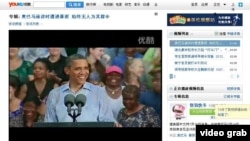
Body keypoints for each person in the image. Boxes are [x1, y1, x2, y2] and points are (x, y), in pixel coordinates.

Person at [44, 54, 114, 122]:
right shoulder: (55, 94)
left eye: (86, 68)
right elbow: (50, 122)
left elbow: (107, 121)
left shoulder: (99, 92)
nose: (83, 72)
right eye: (78, 69)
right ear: (67, 70)